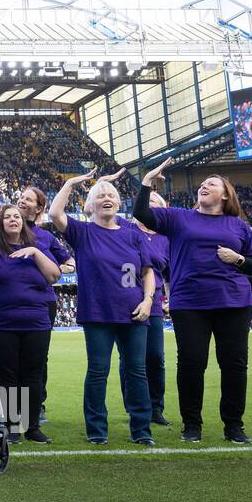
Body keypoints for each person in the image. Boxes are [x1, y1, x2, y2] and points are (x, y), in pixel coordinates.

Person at [135, 158, 252, 444]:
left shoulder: (239, 226)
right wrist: (147, 180)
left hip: (234, 302)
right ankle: (192, 424)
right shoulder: (179, 217)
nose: (204, 186)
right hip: (190, 303)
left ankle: (234, 426)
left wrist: (237, 258)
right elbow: (142, 213)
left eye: (211, 184)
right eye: (202, 184)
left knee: (234, 365)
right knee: (191, 363)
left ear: (225, 194)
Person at [49, 172, 155, 446]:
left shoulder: (133, 233)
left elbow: (147, 271)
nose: (107, 199)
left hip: (134, 312)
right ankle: (97, 429)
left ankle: (142, 429)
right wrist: (71, 184)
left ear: (119, 204)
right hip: (98, 314)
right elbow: (55, 213)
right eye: (100, 196)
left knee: (137, 371)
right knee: (98, 371)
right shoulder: (83, 232)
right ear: (90, 205)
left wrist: (148, 300)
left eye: (111, 196)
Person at [0, 181, 73, 425]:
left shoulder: (42, 239)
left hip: (38, 311)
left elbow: (60, 270)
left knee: (34, 369)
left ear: (39, 209)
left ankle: (32, 420)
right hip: (3, 315)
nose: (20, 207)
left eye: (27, 201)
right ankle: (13, 421)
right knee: (8, 371)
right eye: (10, 214)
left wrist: (39, 255)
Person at [122, 185, 171, 428]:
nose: (151, 204)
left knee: (155, 357)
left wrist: (169, 300)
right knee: (131, 359)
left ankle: (156, 407)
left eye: (156, 201)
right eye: (147, 200)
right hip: (128, 299)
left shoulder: (166, 238)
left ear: (164, 210)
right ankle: (134, 407)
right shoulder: (127, 230)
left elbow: (172, 273)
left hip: (154, 303)